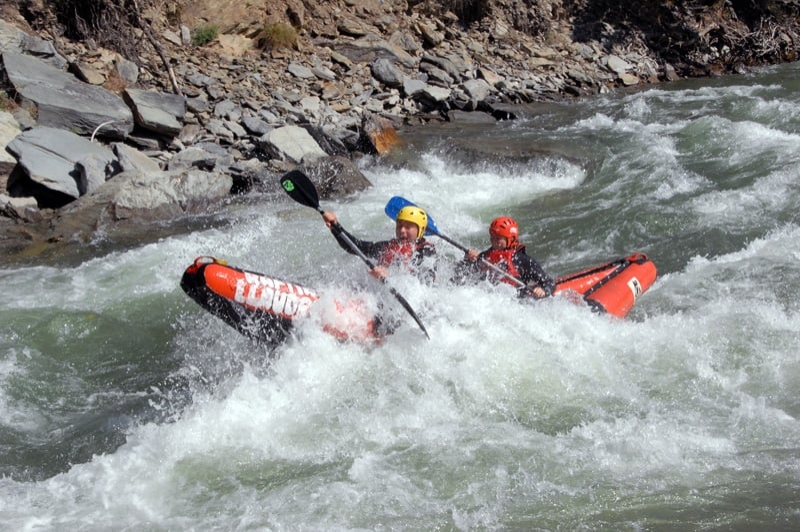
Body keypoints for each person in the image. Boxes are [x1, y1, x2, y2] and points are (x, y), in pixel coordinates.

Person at [321, 205, 437, 283]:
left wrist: (390, 279)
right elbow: (355, 247)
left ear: (420, 230)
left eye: (408, 227)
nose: (401, 230)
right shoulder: (388, 247)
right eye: (399, 225)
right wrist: (336, 226)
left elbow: (425, 282)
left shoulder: (426, 250)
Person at [457, 216, 555, 299]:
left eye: (498, 238)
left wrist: (543, 290)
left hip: (515, 302)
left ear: (511, 239)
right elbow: (461, 274)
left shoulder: (523, 260)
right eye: (492, 236)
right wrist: (468, 259)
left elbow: (549, 283)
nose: (493, 241)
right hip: (489, 299)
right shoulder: (485, 256)